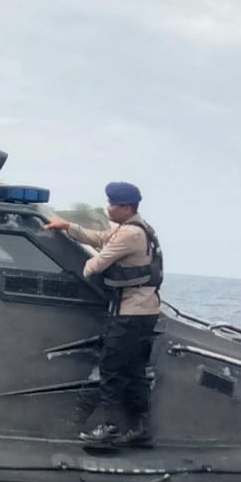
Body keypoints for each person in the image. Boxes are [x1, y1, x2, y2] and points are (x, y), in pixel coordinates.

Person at [43, 181, 164, 448]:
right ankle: (140, 429)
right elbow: (100, 239)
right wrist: (68, 227)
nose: (108, 208)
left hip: (129, 314)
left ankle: (110, 428)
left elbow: (94, 265)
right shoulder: (140, 229)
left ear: (127, 207)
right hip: (145, 312)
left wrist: (75, 264)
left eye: (113, 204)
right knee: (134, 371)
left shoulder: (129, 235)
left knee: (111, 369)